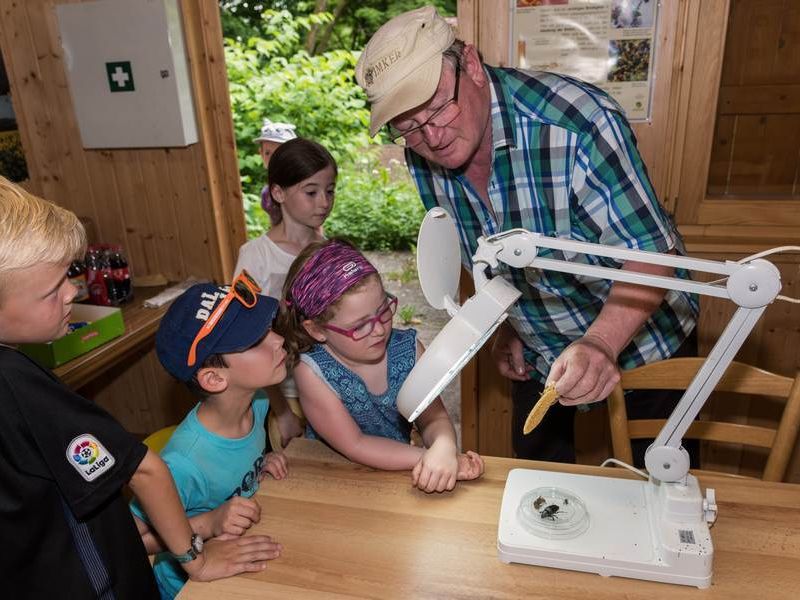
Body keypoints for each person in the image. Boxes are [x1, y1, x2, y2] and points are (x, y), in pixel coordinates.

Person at [355, 6, 699, 466]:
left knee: (658, 483)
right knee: (536, 482)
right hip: (541, 339)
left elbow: (652, 254)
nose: (432, 136)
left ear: (471, 65)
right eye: (409, 128)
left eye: (438, 107)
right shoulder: (423, 155)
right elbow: (484, 251)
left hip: (645, 336)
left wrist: (600, 343)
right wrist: (507, 324)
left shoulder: (577, 124)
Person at [0, 176, 280, 599]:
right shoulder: (16, 383)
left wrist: (202, 523)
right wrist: (197, 560)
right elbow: (145, 469)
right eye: (51, 289)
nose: (73, 291)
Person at [278, 239, 485, 493]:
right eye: (359, 325)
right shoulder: (311, 371)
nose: (378, 330)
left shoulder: (409, 351)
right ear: (317, 330)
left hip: (395, 477)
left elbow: (434, 418)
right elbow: (356, 444)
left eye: (383, 311)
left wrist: (443, 446)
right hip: (330, 478)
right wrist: (426, 458)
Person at [129, 276, 288, 599]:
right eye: (257, 341)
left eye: (268, 328)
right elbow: (130, 541)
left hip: (241, 557)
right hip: (188, 587)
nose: (277, 340)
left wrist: (258, 464)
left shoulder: (256, 403)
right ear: (214, 378)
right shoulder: (183, 463)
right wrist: (209, 522)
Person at [235, 137, 338, 450]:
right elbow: (244, 341)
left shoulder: (330, 250)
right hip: (285, 397)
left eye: (330, 190)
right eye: (311, 192)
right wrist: (280, 411)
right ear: (278, 193)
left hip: (332, 391)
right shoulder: (255, 257)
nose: (324, 202)